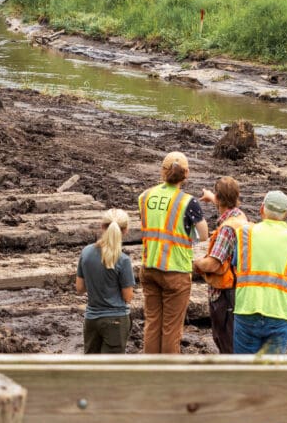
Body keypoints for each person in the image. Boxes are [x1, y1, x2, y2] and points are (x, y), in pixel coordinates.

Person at [138, 151, 209, 354]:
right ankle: (168, 370)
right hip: (176, 271)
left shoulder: (145, 196)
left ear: (162, 171)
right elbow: (203, 235)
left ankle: (150, 367)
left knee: (152, 323)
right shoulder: (188, 202)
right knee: (171, 329)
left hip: (149, 266)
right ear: (186, 174)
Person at [232, 190, 287, 355]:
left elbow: (236, 264)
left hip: (247, 308)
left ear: (262, 209)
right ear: (286, 213)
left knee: (244, 367)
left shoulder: (245, 233)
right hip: (279, 312)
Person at [193, 176, 247, 353]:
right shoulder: (240, 217)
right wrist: (211, 197)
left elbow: (212, 264)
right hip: (239, 286)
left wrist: (194, 264)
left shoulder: (226, 229)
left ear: (219, 198)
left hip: (225, 293)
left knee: (225, 339)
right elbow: (225, 204)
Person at [76, 208, 135, 354]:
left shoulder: (86, 252)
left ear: (102, 226)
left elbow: (80, 288)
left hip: (91, 319)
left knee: (92, 363)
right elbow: (128, 297)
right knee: (111, 366)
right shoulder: (123, 260)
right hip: (116, 320)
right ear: (126, 230)